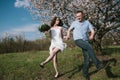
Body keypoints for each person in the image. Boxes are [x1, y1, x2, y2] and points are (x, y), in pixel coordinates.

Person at [66, 11, 103, 80]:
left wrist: (92, 35)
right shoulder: (74, 23)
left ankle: (85, 73)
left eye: (79, 16)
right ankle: (97, 64)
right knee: (90, 47)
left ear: (83, 15)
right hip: (78, 40)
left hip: (85, 41)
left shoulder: (87, 22)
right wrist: (68, 35)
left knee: (87, 59)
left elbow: (92, 30)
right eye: (77, 16)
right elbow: (69, 30)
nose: (78, 17)